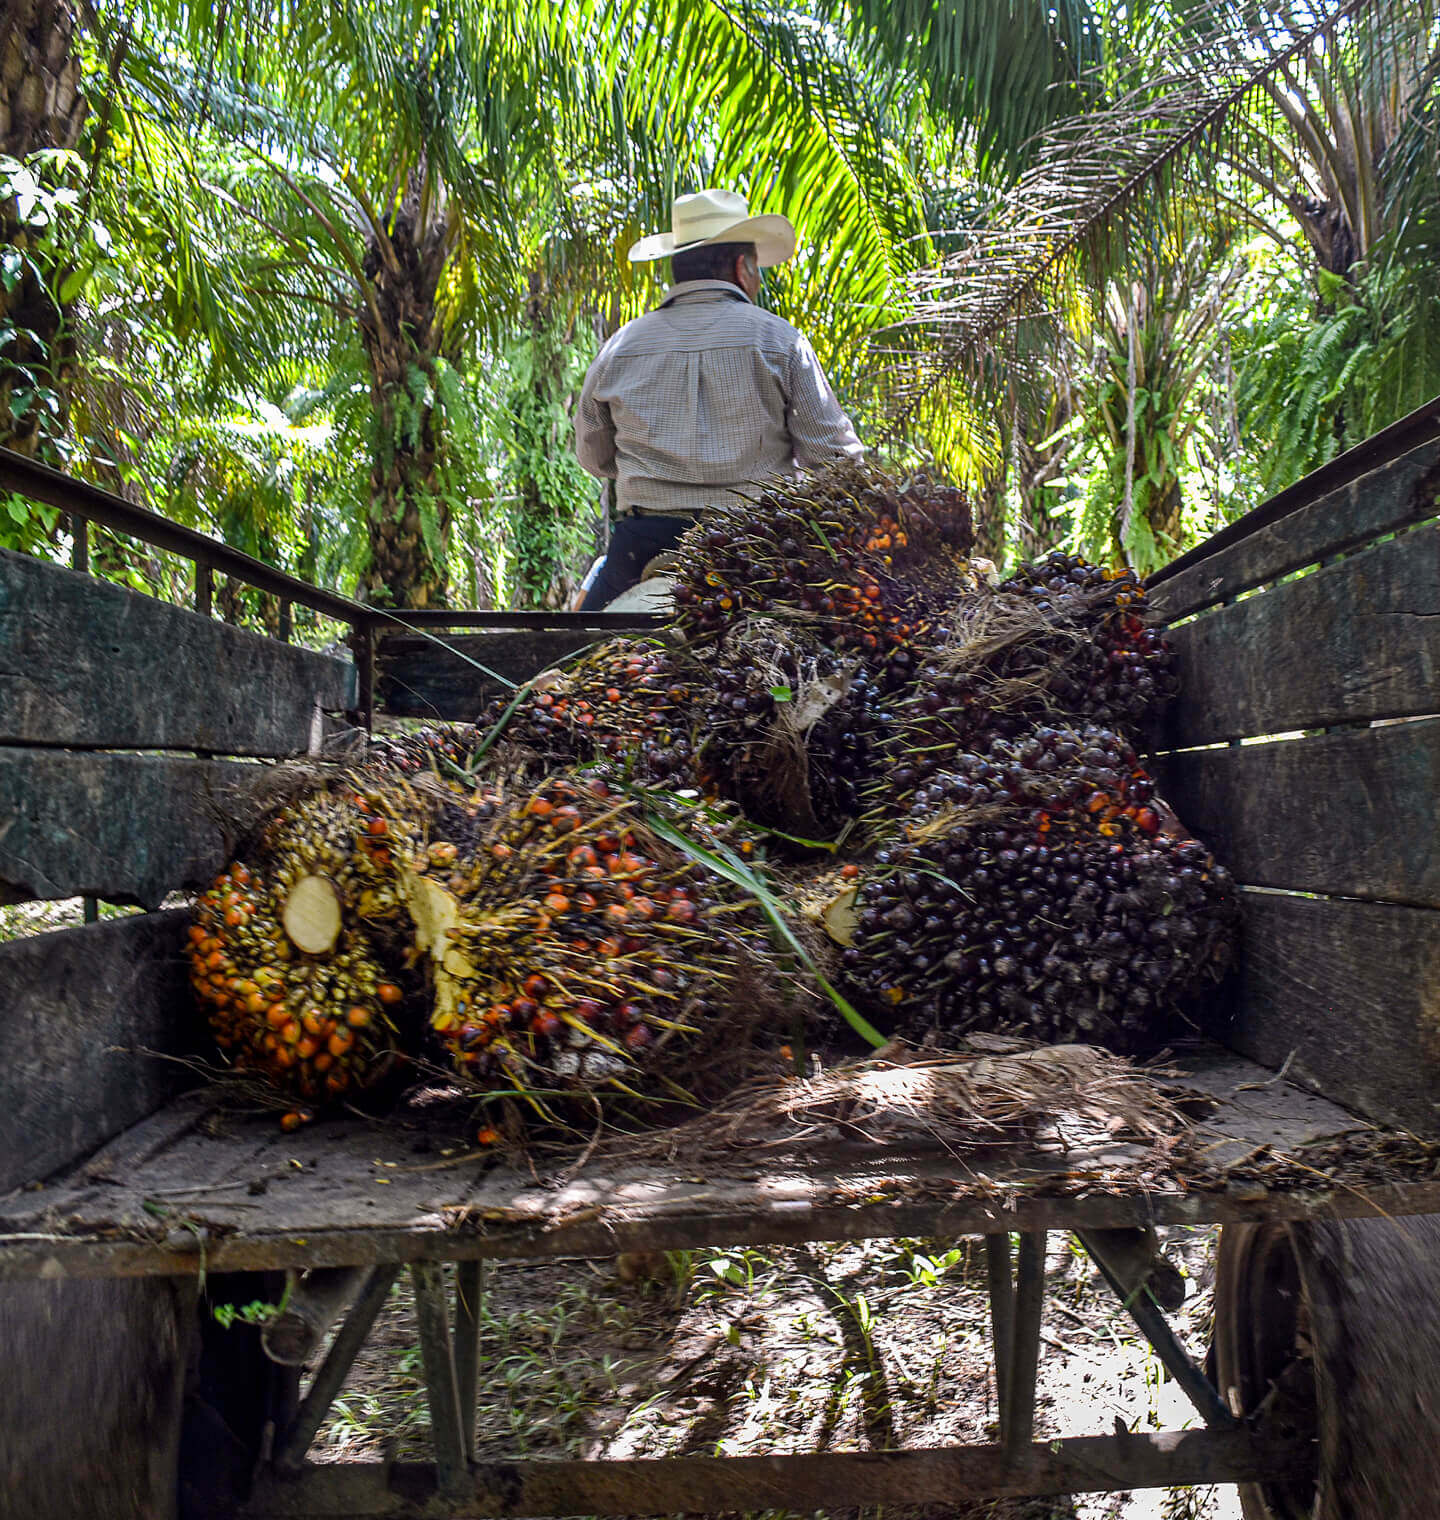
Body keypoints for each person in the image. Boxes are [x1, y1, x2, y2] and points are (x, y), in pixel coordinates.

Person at [573, 188, 864, 610]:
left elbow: (593, 457)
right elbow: (838, 461)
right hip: (758, 548)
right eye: (757, 268)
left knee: (577, 657)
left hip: (642, 547)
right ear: (742, 268)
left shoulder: (620, 348)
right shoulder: (781, 341)